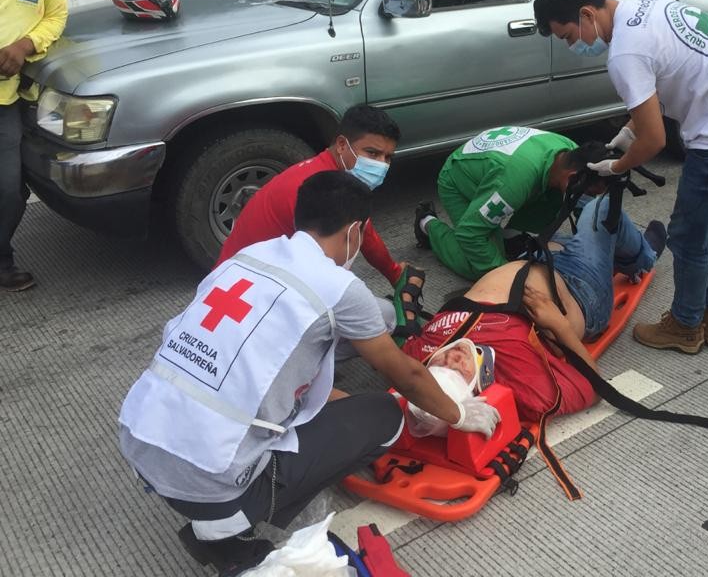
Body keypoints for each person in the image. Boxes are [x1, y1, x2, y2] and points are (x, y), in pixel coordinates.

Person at [118, 171, 499, 576]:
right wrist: (458, 414)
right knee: (384, 416)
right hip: (214, 482)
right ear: (355, 231)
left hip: (140, 442)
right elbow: (407, 376)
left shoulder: (248, 257)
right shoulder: (337, 287)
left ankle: (222, 513)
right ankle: (232, 528)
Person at [533, 0, 708, 355]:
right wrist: (626, 134)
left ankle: (685, 326)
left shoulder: (625, 55)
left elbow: (655, 139)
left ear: (586, 14)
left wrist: (616, 166)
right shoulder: (641, 8)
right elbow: (657, 90)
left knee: (687, 237)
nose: (571, 46)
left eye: (568, 36)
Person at [405, 193, 665, 423]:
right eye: (459, 373)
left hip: (536, 259)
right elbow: (595, 389)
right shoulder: (524, 384)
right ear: (477, 389)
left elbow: (393, 344)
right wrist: (558, 325)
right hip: (581, 288)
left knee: (525, 226)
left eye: (441, 365)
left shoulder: (418, 356)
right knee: (603, 206)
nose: (454, 357)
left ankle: (603, 244)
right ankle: (642, 257)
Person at [217, 105, 425, 340]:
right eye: (372, 153)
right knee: (384, 318)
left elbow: (365, 232)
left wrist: (395, 274)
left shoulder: (320, 174)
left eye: (388, 157)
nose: (381, 164)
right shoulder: (328, 194)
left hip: (228, 288)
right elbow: (325, 280)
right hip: (253, 306)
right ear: (342, 145)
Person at [413, 127, 605, 281]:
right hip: (458, 180)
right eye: (588, 192)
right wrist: (505, 275)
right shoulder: (513, 183)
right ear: (573, 177)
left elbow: (585, 207)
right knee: (481, 266)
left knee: (555, 196)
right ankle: (428, 224)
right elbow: (469, 234)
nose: (589, 196)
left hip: (496, 169)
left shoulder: (571, 152)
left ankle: (510, 239)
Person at [0, 0, 68, 291]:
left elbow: (56, 15)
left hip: (9, 100)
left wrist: (25, 46)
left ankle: (1, 260)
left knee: (9, 189)